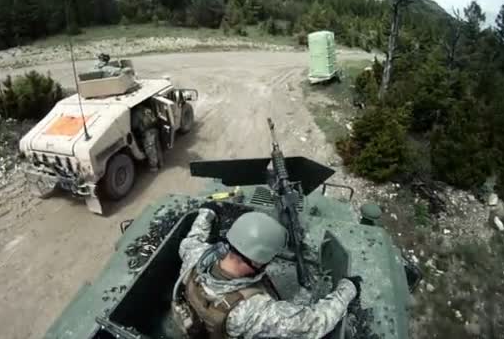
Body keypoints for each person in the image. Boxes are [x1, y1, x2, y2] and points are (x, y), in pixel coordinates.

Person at [173, 204, 361, 339]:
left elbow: (192, 239)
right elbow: (314, 324)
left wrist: (207, 213)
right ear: (256, 261)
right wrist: (347, 289)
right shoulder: (252, 311)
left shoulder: (195, 257)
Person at [132, 105, 161, 172]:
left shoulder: (136, 113)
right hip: (154, 129)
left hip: (147, 132)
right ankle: (160, 163)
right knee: (157, 147)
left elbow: (134, 125)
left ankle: (154, 167)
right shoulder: (147, 109)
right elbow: (154, 118)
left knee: (150, 150)